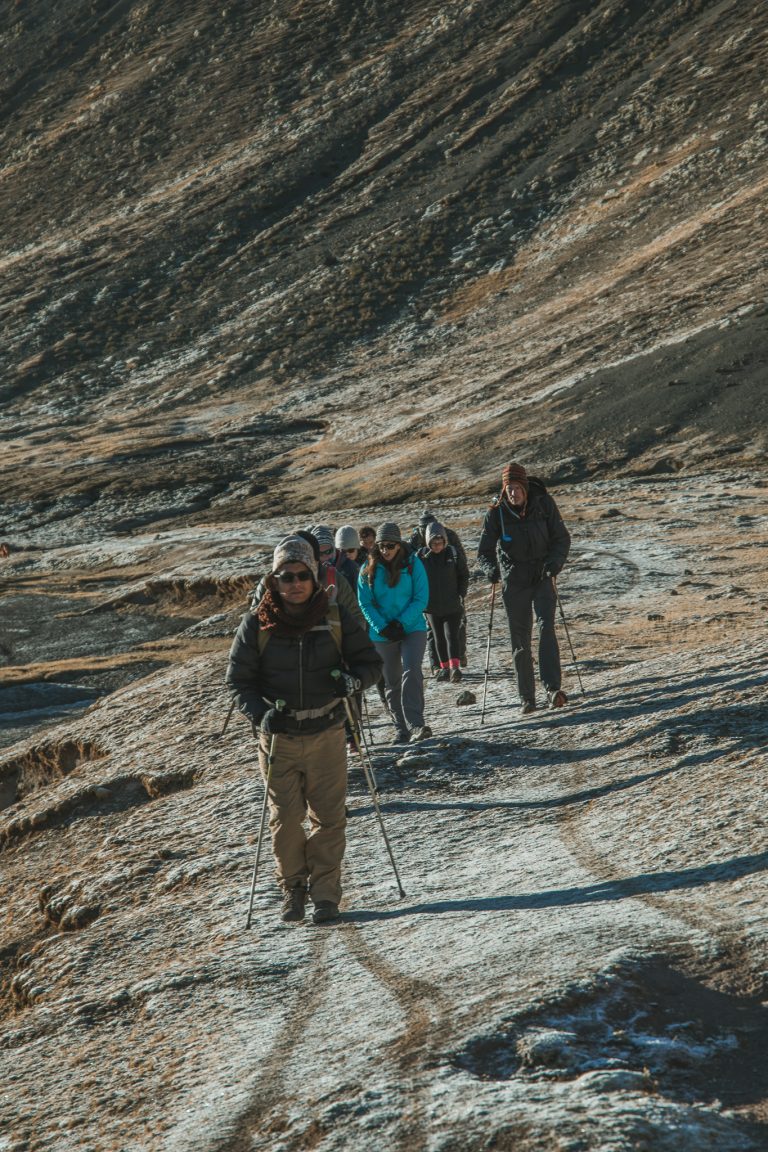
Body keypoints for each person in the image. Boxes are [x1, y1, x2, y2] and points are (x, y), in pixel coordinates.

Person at [226, 535, 382, 925]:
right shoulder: (256, 624)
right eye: (285, 576)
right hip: (277, 738)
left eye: (301, 575)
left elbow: (370, 664)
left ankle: (326, 897)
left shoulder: (334, 618)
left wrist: (353, 682)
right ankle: (293, 890)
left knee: (329, 819)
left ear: (313, 577)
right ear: (272, 581)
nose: (294, 583)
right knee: (285, 819)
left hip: (327, 732)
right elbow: (238, 681)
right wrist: (260, 715)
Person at [477, 462, 571, 715]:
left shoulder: (544, 504)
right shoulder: (496, 513)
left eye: (517, 488)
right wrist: (491, 570)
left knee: (546, 628)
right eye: (508, 489)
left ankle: (552, 689)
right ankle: (527, 698)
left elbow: (561, 538)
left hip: (542, 575)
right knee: (520, 641)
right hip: (514, 580)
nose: (512, 494)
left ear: (525, 488)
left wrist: (554, 563)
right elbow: (484, 551)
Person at [358, 522, 431, 744]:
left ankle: (416, 724)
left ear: (399, 545)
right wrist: (383, 627)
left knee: (412, 671)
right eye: (381, 546)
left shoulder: (413, 564)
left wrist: (401, 623)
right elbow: (365, 603)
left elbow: (421, 597)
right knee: (392, 681)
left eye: (390, 546)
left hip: (412, 628)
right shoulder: (367, 569)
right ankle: (401, 729)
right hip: (382, 634)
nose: (386, 551)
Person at [409, 510, 469, 671]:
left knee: (456, 630)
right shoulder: (416, 541)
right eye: (423, 527)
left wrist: (460, 591)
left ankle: (459, 656)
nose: (425, 529)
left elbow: (461, 562)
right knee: (433, 633)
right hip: (430, 599)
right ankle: (437, 665)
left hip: (451, 593)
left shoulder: (449, 536)